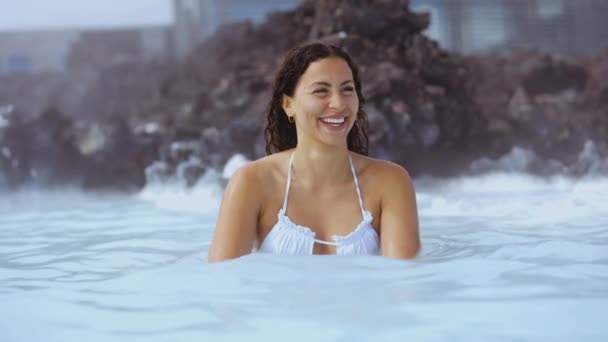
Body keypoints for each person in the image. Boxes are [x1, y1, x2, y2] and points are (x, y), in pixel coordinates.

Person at [208, 42, 420, 261]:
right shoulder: (252, 182)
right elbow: (223, 283)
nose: (338, 103)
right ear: (288, 105)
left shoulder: (391, 182)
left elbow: (405, 279)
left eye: (347, 89)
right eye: (321, 91)